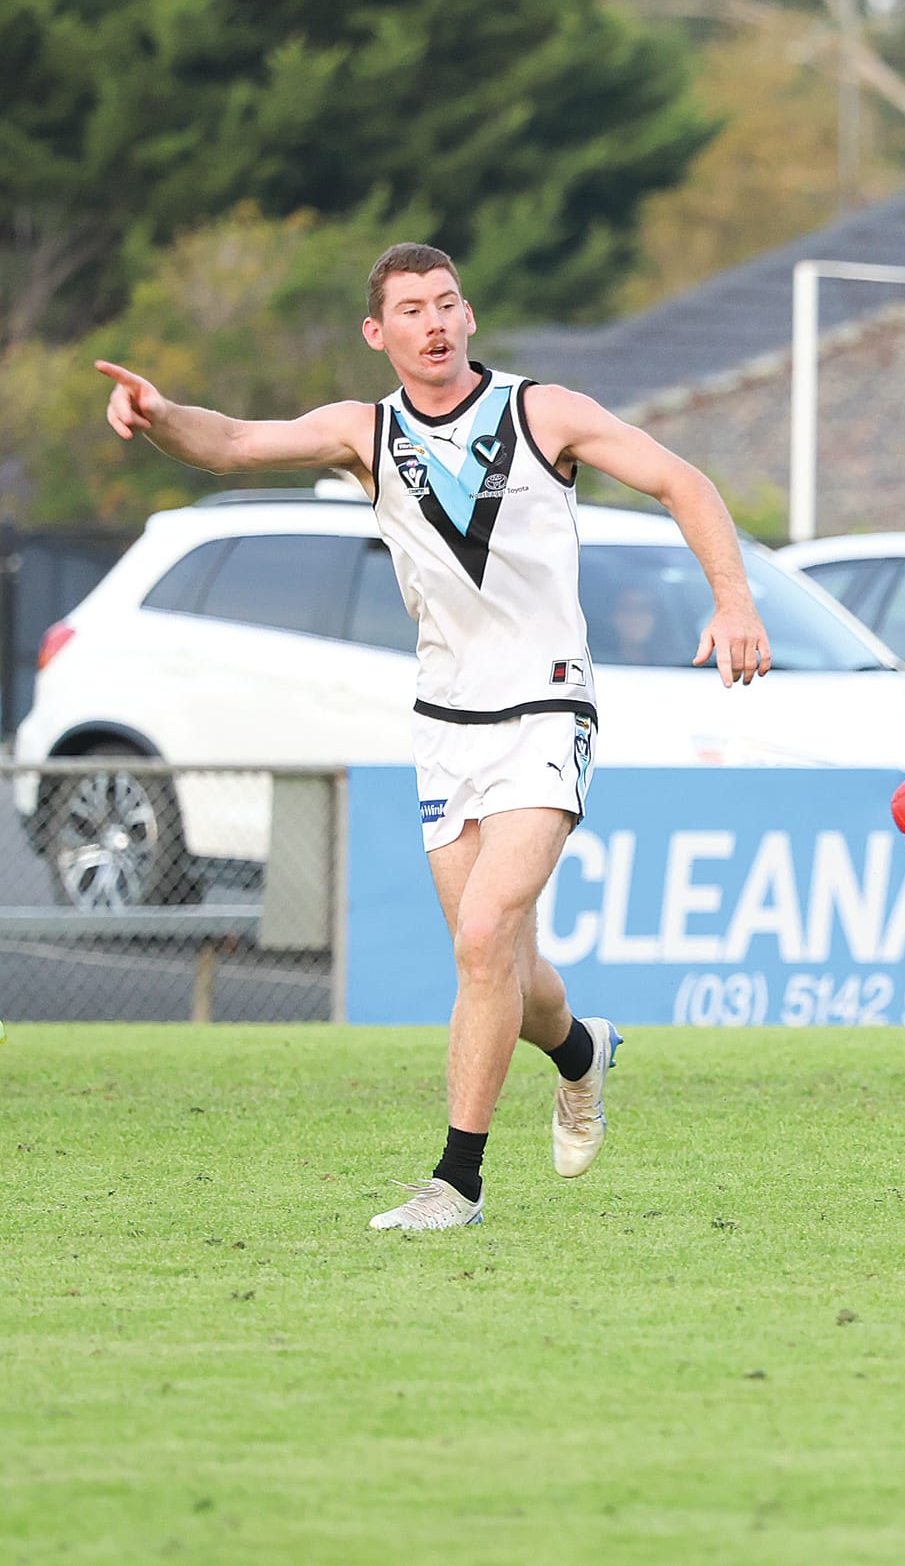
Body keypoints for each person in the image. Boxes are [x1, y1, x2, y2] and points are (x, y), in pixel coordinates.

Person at [98, 242, 770, 1230]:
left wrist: (732, 598)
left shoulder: (541, 412)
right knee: (500, 965)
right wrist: (160, 419)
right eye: (411, 309)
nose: (435, 322)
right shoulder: (362, 432)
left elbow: (681, 482)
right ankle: (581, 1052)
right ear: (378, 334)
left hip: (547, 707)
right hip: (445, 722)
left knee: (485, 932)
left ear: (467, 314)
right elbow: (234, 444)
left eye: (447, 302)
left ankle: (456, 1181)